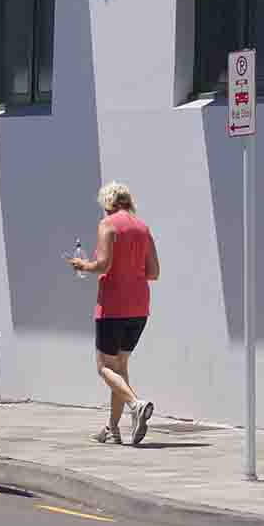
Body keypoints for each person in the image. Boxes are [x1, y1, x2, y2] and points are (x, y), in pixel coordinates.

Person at [68, 180, 159, 446]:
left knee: (104, 368)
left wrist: (83, 265)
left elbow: (103, 264)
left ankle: (135, 404)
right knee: (120, 366)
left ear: (107, 203)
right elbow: (154, 272)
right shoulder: (143, 228)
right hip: (140, 307)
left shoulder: (108, 225)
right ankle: (112, 428)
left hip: (113, 306)